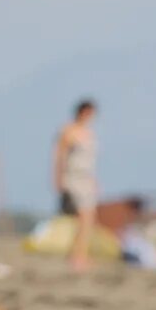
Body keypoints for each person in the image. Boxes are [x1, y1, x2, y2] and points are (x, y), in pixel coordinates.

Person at [52, 99, 100, 273]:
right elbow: (59, 156)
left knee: (89, 219)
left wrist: (94, 181)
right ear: (82, 112)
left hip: (87, 178)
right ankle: (77, 257)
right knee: (82, 218)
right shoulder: (68, 131)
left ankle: (80, 254)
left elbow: (91, 161)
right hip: (73, 177)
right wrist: (58, 180)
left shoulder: (89, 133)